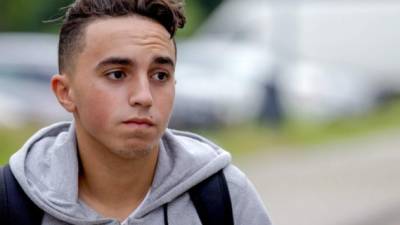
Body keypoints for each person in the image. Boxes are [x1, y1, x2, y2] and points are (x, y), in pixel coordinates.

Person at [5, 0, 272, 224]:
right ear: (65, 92)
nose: (144, 96)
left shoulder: (222, 195)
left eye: (160, 75)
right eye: (117, 74)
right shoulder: (12, 201)